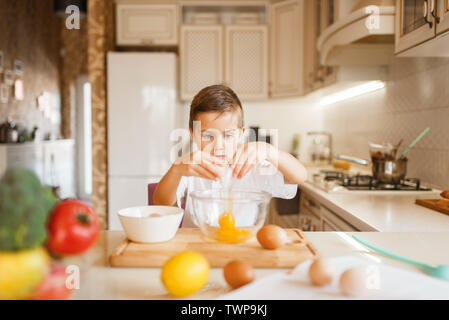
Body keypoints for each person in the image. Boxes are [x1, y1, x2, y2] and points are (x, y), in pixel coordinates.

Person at [153, 85, 308, 227]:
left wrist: (269, 151)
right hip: (196, 248)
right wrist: (176, 170)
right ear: (193, 133)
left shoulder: (252, 168)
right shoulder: (189, 169)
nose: (219, 146)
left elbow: (299, 177)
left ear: (241, 134)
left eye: (227, 136)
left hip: (241, 246)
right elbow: (161, 203)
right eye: (208, 136)